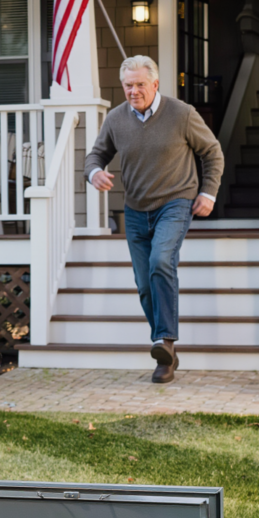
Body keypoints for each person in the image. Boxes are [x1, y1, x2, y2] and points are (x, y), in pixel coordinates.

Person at [85, 56, 224, 383]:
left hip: (175, 202)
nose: (133, 91)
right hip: (135, 209)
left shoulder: (182, 114)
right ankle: (167, 348)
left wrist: (208, 192)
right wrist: (94, 173)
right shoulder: (116, 119)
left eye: (140, 85)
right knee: (145, 283)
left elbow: (212, 152)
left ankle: (164, 343)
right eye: (128, 85)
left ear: (155, 84)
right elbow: (96, 155)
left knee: (161, 261)